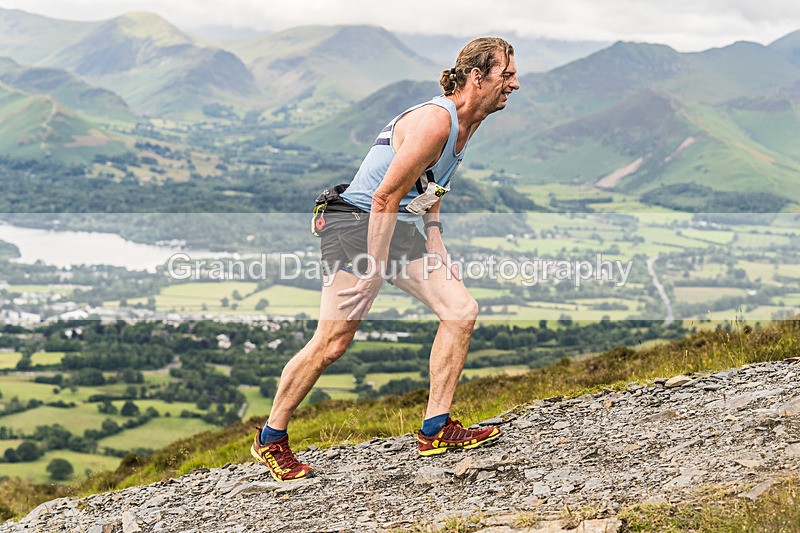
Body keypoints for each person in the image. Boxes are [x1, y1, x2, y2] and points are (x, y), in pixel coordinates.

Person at [251, 37, 520, 481]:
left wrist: (435, 239)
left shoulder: (468, 123)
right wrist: (374, 271)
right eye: (506, 75)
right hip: (356, 224)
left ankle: (435, 428)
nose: (514, 84)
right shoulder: (436, 122)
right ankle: (270, 438)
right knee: (333, 343)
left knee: (460, 311)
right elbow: (383, 196)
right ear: (477, 77)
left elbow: (430, 185)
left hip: (394, 226)